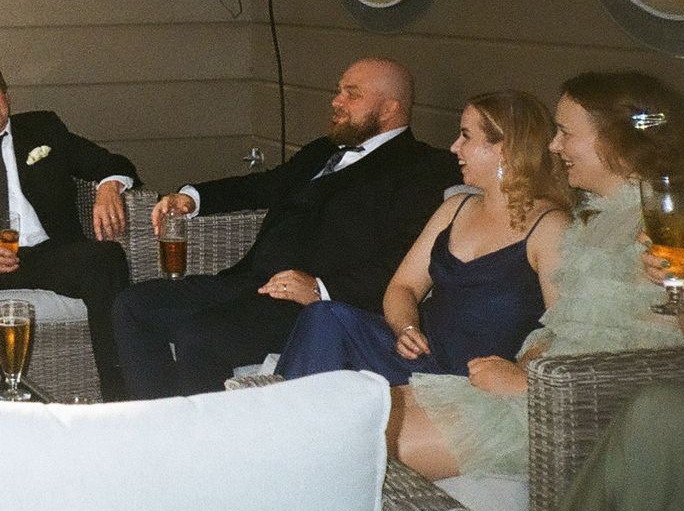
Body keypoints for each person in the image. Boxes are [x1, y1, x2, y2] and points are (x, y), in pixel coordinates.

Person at [396, 71, 684, 481]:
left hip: (573, 419)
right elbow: (563, 326)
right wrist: (522, 365)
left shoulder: (674, 221)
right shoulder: (592, 219)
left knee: (372, 438)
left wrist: (531, 385)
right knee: (370, 408)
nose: (553, 146)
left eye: (566, 133)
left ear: (613, 140)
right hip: (542, 389)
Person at [112, 57, 460, 398]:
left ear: (389, 109)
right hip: (252, 281)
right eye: (339, 91)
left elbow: (402, 260)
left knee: (199, 335)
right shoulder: (323, 150)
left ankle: (213, 435)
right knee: (134, 305)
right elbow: (267, 185)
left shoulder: (423, 169)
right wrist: (192, 198)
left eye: (352, 95)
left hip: (309, 307)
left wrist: (321, 289)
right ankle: (159, 421)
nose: (336, 102)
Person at [529, 69, 684, 511]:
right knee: (657, 417)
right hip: (580, 391)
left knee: (659, 415)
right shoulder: (598, 217)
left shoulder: (668, 214)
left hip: (594, 399)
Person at [278, 90, 571, 385]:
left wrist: (519, 374)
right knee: (325, 316)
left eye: (466, 136)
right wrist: (406, 328)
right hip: (419, 356)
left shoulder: (550, 227)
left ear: (505, 148)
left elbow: (564, 330)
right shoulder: (456, 208)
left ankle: (287, 408)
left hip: (473, 376)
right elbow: (402, 287)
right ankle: (283, 407)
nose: (455, 147)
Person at [0, 56, 138, 399]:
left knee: (106, 258)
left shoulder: (44, 130)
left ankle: (119, 394)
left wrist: (109, 186)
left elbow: (111, 162)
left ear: (6, 95)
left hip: (47, 252)